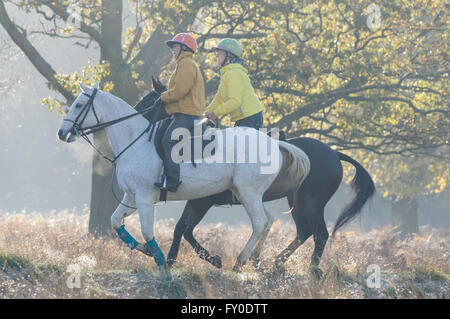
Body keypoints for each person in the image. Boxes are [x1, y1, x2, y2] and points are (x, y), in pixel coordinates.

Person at [153, 33, 206, 192]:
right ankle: (164, 175)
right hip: (182, 111)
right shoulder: (183, 64)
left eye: (174, 47)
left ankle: (173, 182)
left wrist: (163, 97)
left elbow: (179, 91)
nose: (172, 51)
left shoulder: (187, 64)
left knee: (167, 140)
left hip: (188, 114)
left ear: (184, 48)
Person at [204, 38, 263, 130]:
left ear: (229, 55)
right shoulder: (227, 73)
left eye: (219, 53)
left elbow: (235, 101)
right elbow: (219, 98)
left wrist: (215, 113)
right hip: (245, 118)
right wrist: (207, 112)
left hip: (250, 117)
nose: (217, 56)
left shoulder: (233, 73)